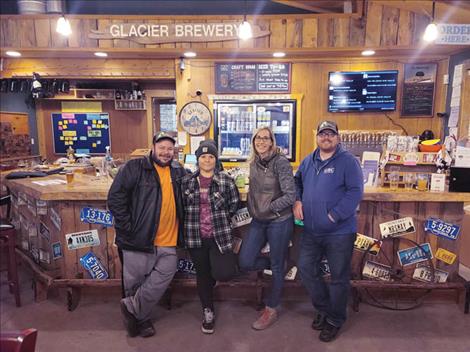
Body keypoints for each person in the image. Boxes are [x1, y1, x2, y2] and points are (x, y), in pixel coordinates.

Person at [107, 132, 186, 338]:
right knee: (134, 283)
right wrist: (128, 227)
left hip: (169, 240)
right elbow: (115, 198)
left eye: (170, 149)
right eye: (162, 147)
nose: (166, 152)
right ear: (153, 147)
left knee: (164, 275)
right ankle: (140, 320)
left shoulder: (178, 171)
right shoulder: (134, 168)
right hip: (138, 239)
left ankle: (132, 309)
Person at [295, 121, 363, 342]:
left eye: (330, 134)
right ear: (317, 137)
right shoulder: (308, 160)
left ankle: (335, 320)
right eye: (322, 134)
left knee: (339, 278)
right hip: (311, 231)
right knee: (305, 269)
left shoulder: (348, 161)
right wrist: (297, 200)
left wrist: (334, 215)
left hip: (339, 232)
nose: (326, 137)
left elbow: (355, 192)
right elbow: (297, 182)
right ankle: (324, 308)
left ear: (338, 138)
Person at [238, 126, 295, 330]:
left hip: (279, 220)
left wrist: (270, 207)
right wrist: (256, 209)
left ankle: (271, 308)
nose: (261, 141)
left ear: (272, 141)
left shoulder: (280, 162)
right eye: (257, 138)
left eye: (265, 138)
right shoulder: (253, 163)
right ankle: (279, 263)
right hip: (259, 220)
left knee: (278, 267)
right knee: (245, 261)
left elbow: (290, 195)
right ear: (253, 142)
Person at [181, 142, 239, 334]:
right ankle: (208, 310)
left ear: (216, 160)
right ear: (198, 160)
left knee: (225, 272)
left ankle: (210, 282)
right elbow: (182, 208)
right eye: (203, 157)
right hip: (195, 237)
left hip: (219, 236)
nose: (207, 160)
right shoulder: (187, 181)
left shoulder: (226, 181)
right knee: (202, 275)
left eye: (211, 157)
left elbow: (233, 205)